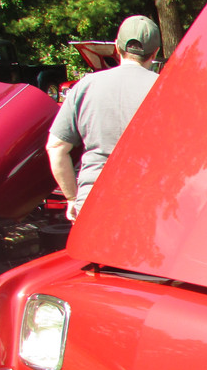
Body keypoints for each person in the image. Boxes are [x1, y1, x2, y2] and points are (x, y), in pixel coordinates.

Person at [47, 15, 161, 221]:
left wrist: (72, 197)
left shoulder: (85, 85)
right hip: (147, 205)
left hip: (92, 203)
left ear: (117, 47)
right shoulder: (166, 89)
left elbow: (55, 147)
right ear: (155, 52)